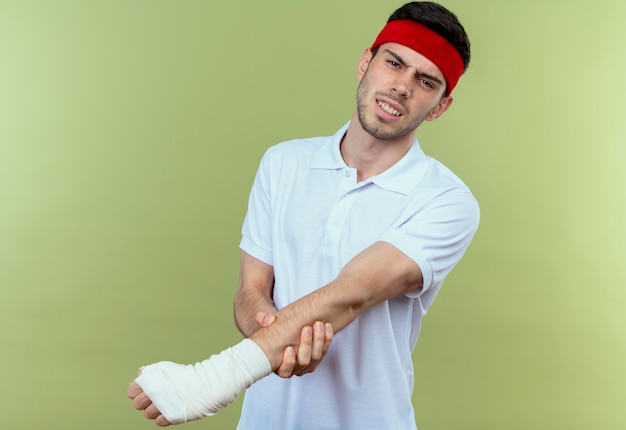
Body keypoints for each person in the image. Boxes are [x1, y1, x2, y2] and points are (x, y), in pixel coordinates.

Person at [127, 2, 479, 428]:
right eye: (393, 63)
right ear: (365, 62)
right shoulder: (283, 163)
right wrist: (279, 337)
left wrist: (214, 379)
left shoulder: (446, 200)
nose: (402, 86)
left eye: (425, 81)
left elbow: (355, 291)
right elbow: (251, 290)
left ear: (440, 106)